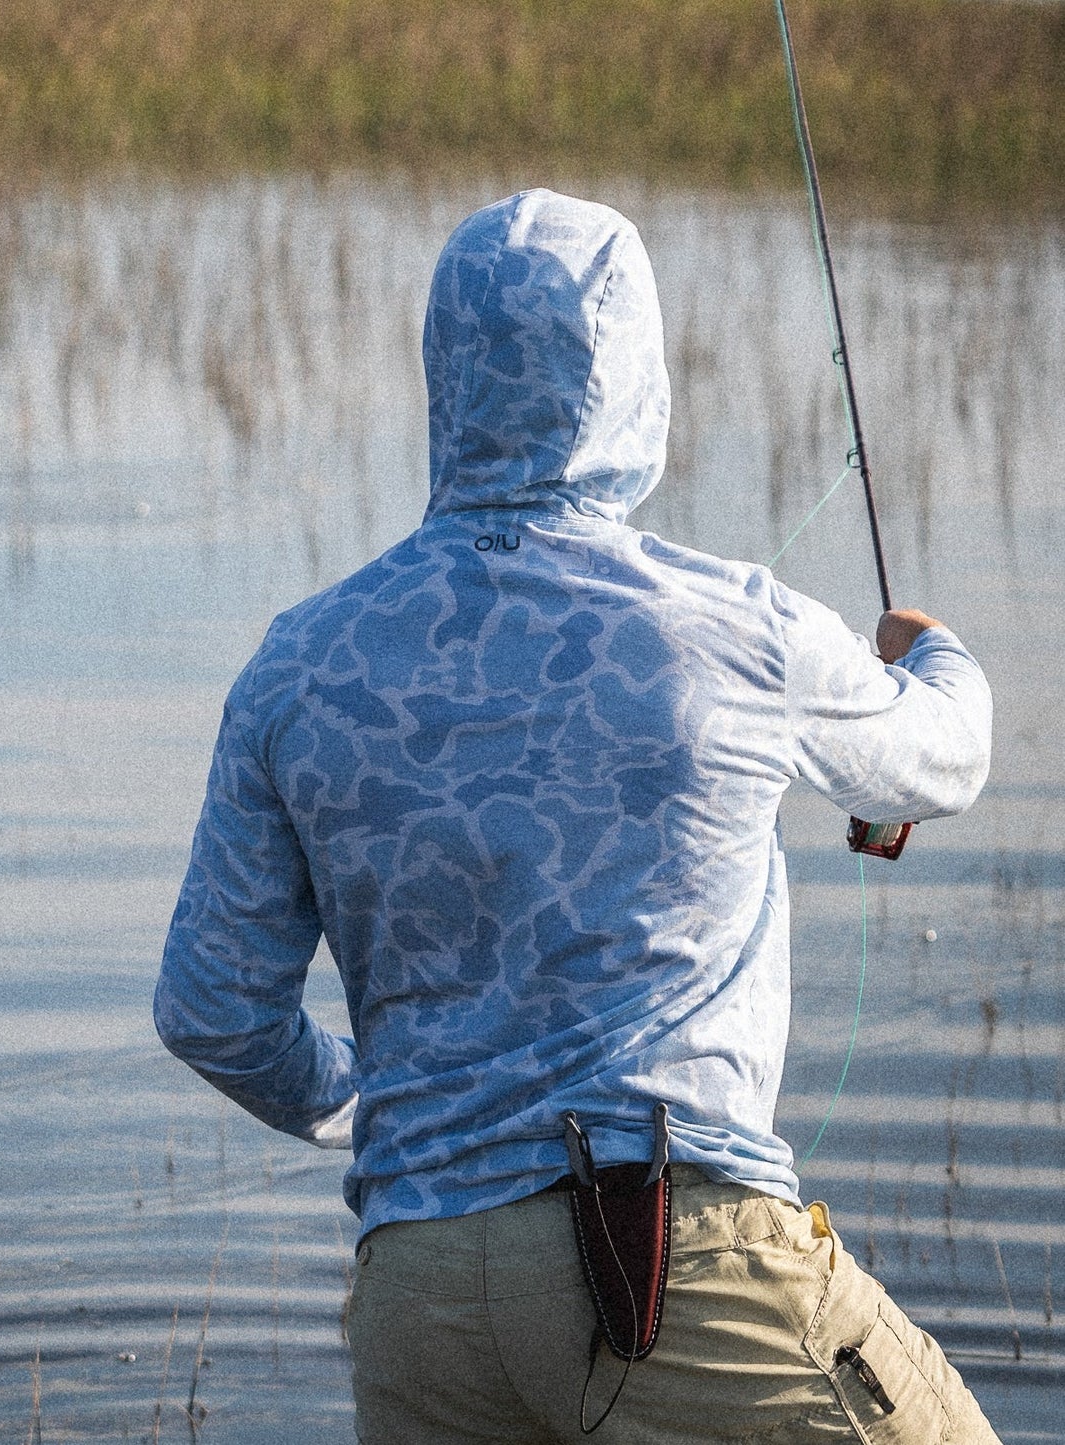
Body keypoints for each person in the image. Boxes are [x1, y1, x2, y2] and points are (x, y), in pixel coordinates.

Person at [153, 190, 998, 1443]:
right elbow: (945, 757)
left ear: (442, 371)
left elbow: (213, 1011)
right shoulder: (738, 631)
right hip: (676, 1266)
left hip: (419, 1298)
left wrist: (377, 1103)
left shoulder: (299, 667)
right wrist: (931, 648)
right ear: (634, 377)